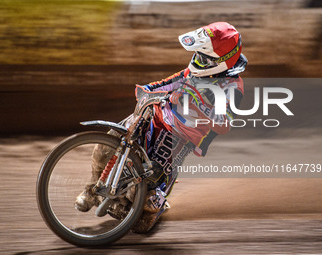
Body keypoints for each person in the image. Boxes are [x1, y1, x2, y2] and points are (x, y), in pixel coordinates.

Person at [75, 22, 247, 233]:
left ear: (221, 62)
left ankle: (147, 206)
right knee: (104, 148)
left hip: (178, 141)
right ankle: (91, 191)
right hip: (152, 119)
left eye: (204, 57)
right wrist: (146, 90)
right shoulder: (191, 73)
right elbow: (165, 83)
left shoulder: (232, 87)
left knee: (144, 214)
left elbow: (223, 123)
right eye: (198, 54)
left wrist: (192, 101)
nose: (198, 60)